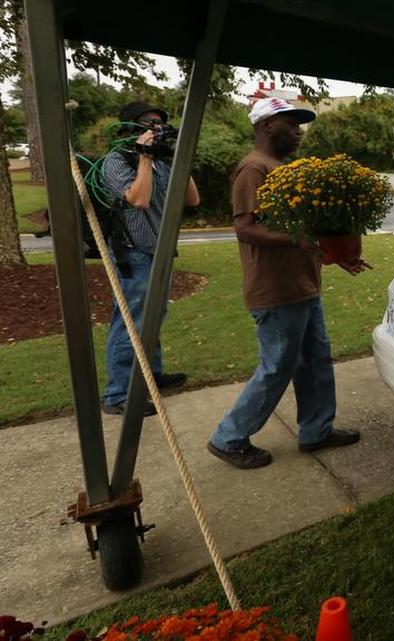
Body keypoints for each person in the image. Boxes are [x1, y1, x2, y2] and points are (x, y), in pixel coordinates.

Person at [206, 97, 367, 469]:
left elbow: (308, 231)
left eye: (299, 124)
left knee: (315, 362)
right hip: (276, 292)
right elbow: (245, 228)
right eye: (290, 123)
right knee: (278, 365)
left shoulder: (282, 168)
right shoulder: (254, 168)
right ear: (265, 126)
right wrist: (297, 238)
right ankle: (228, 438)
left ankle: (316, 431)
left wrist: (338, 255)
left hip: (303, 286)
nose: (298, 131)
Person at [100, 101, 200, 415]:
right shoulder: (116, 161)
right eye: (148, 122)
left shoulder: (163, 163)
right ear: (130, 129)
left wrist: (177, 159)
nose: (155, 128)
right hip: (134, 253)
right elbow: (138, 199)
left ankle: (151, 376)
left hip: (161, 251)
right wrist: (144, 158)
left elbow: (192, 199)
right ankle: (117, 394)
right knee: (131, 321)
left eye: (159, 123)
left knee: (155, 316)